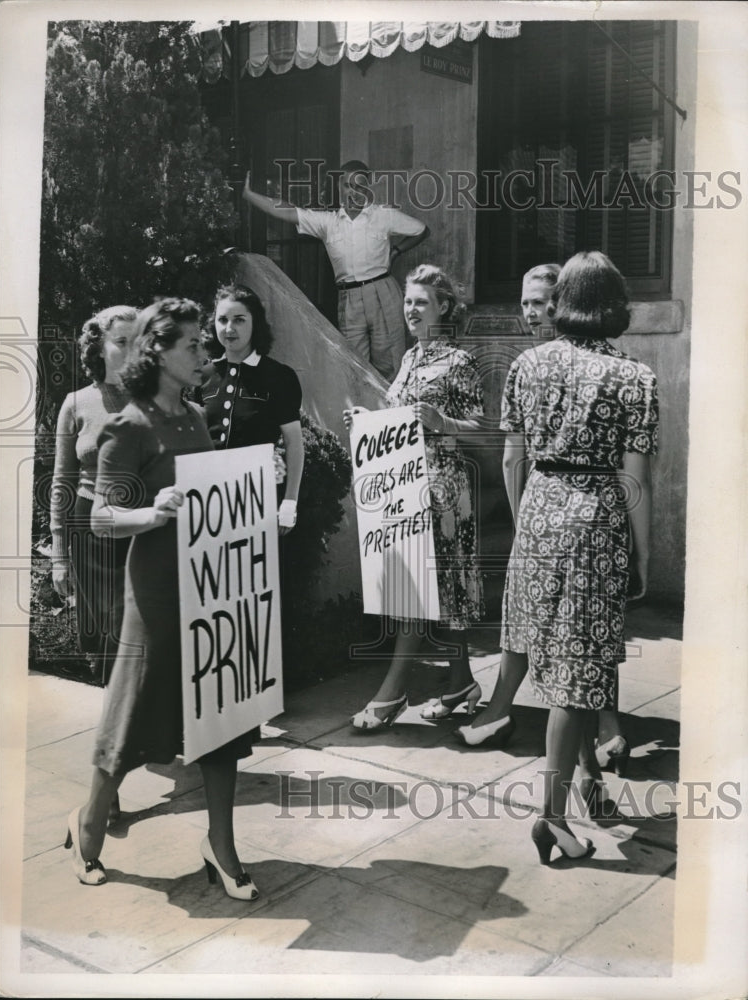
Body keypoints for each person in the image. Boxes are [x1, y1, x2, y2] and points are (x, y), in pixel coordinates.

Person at [461, 251, 658, 864]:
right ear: (615, 304)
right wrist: (641, 556)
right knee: (577, 678)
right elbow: (636, 484)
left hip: (539, 514)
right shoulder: (636, 379)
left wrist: (526, 527)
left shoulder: (527, 364)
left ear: (564, 301)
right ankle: (550, 819)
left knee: (556, 662)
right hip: (597, 521)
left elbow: (510, 459)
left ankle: (586, 785)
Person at [65, 298, 260, 900]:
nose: (205, 352)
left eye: (205, 343)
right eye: (194, 345)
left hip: (208, 584)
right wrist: (153, 511)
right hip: (152, 589)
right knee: (133, 716)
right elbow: (100, 519)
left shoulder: (197, 417)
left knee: (221, 712)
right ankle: (91, 820)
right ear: (160, 352)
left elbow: (210, 497)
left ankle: (221, 846)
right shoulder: (130, 424)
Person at [343, 264, 485, 730]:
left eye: (420, 301)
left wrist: (443, 422)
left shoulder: (458, 362)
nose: (410, 309)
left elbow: (481, 431)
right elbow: (396, 419)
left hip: (443, 492)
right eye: (408, 301)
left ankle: (393, 691)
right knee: (424, 588)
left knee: (421, 591)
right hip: (404, 489)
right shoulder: (409, 360)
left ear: (444, 307)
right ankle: (461, 680)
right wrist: (366, 419)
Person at [242, 161, 429, 381]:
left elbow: (422, 230)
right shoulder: (328, 222)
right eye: (348, 185)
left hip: (383, 293)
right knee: (355, 369)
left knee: (389, 364)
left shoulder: (383, 216)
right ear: (340, 186)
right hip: (349, 299)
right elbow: (288, 211)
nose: (353, 192)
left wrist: (395, 252)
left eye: (360, 186)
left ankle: (389, 414)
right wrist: (249, 195)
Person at [50, 305, 138, 684]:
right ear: (99, 347)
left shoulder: (162, 399)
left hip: (144, 527)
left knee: (140, 628)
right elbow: (62, 482)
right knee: (104, 636)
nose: (133, 350)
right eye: (122, 342)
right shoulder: (76, 403)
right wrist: (59, 555)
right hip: (91, 530)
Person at [199, 284, 304, 534]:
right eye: (222, 319)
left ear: (254, 323)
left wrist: (289, 502)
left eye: (239, 320)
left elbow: (294, 443)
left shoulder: (279, 376)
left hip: (257, 501)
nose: (229, 328)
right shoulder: (201, 375)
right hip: (205, 503)